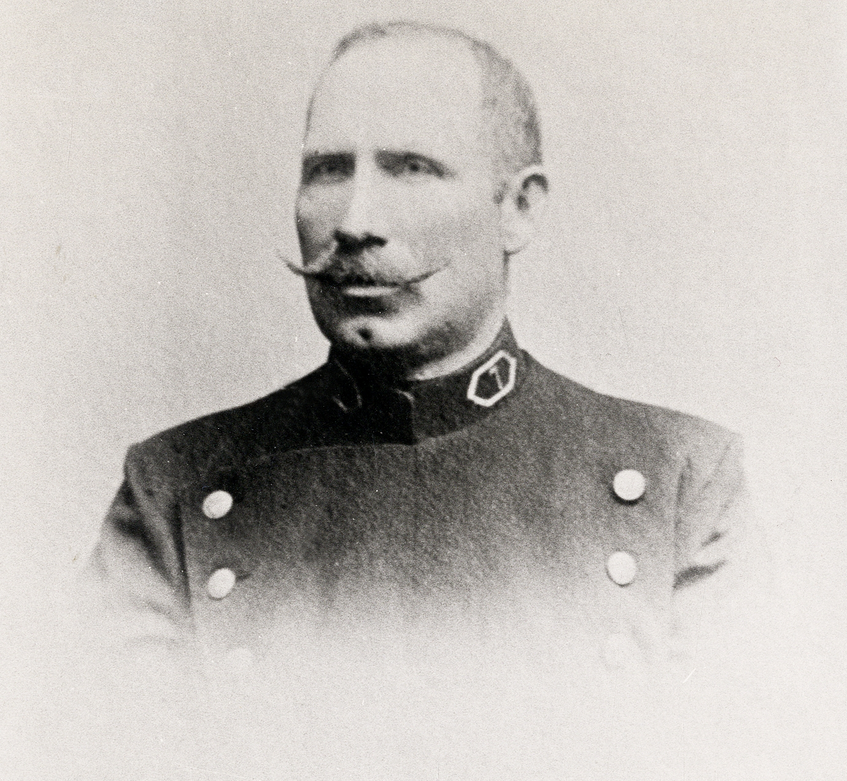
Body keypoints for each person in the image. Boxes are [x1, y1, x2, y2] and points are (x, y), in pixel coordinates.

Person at [85, 20, 750, 687]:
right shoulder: (175, 490)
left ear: (518, 208)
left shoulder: (679, 482)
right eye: (327, 171)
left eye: (412, 169)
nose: (355, 222)